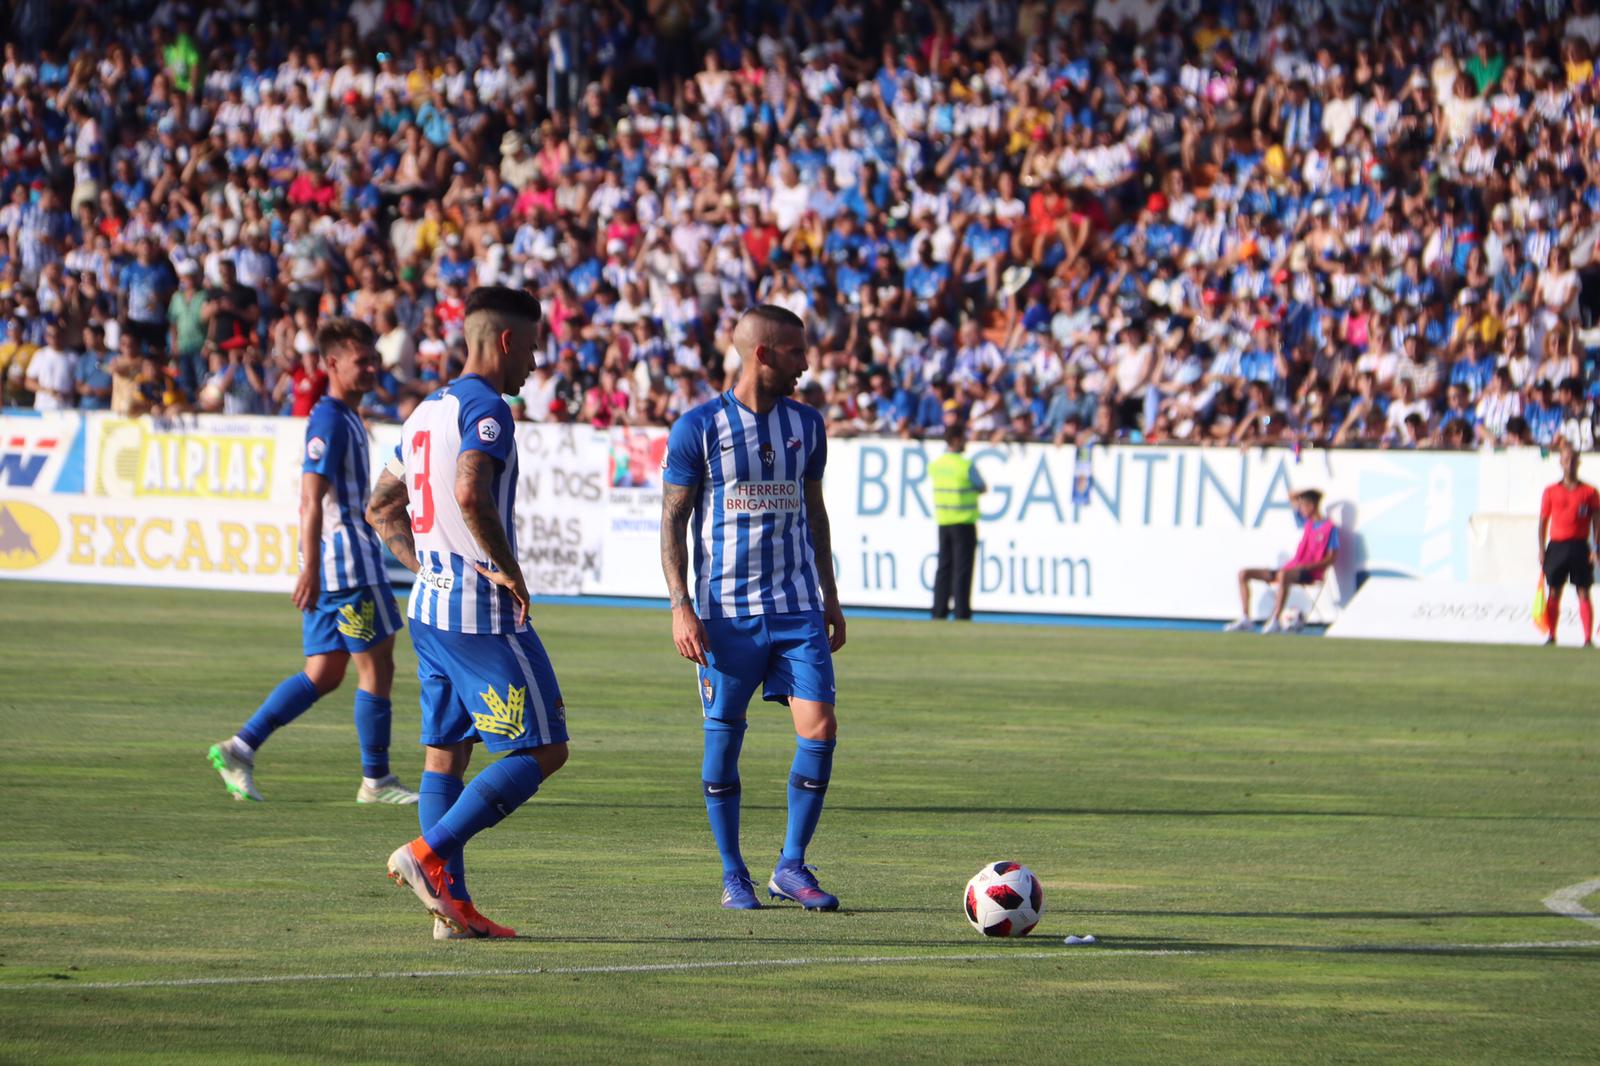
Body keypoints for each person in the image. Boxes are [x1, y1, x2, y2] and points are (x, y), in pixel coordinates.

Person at [367, 286, 568, 940]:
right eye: (533, 347)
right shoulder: (488, 409)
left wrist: (425, 561)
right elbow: (470, 494)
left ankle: (449, 908)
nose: (536, 363)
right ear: (507, 342)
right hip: (479, 615)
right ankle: (425, 854)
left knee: (444, 756)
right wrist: (507, 569)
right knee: (542, 749)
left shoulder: (428, 411)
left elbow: (381, 507)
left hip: (429, 607)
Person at [659, 304, 848, 911]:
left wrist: (831, 595)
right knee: (723, 743)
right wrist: (680, 606)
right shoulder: (699, 428)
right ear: (762, 354)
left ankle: (791, 865)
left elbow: (814, 512)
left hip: (796, 609)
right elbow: (673, 521)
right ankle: (733, 873)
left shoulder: (808, 425)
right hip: (724, 614)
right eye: (796, 352)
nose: (806, 362)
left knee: (820, 729)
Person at [208, 318, 415, 805]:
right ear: (332, 364)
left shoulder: (344, 417)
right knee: (377, 666)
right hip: (347, 565)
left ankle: (240, 748)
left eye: (373, 360)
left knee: (323, 671)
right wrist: (311, 567)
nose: (370, 369)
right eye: (360, 361)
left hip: (334, 562)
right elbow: (309, 498)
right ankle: (376, 781)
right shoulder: (328, 419)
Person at [1226, 489, 1340, 634]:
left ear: (1311, 506)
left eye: (1303, 505)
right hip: (1291, 568)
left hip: (1309, 573)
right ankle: (1245, 618)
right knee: (1243, 574)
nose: (1301, 509)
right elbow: (1292, 496)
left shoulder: (1330, 528)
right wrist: (1305, 493)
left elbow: (1332, 557)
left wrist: (1309, 566)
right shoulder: (1308, 523)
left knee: (1283, 575)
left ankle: (1275, 619)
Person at [1537, 443, 1600, 646]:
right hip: (1556, 546)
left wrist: (1596, 548)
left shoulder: (1590, 492)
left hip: (1580, 546)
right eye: (1566, 460)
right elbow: (1543, 521)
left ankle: (1587, 638)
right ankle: (1552, 634)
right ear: (1560, 463)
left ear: (1578, 463)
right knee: (1554, 590)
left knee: (1583, 590)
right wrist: (1541, 548)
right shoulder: (1551, 491)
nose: (1569, 463)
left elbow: (1597, 522)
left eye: (1573, 460)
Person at [930, 426, 987, 620]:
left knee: (944, 566)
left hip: (944, 519)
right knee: (962, 569)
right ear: (955, 440)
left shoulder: (937, 464)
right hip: (963, 520)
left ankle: (939, 610)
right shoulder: (965, 465)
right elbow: (981, 486)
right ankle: (961, 611)